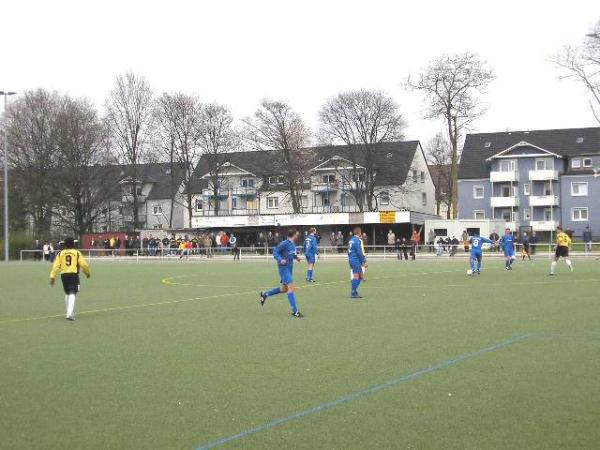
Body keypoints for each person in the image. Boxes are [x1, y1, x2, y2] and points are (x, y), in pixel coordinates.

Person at [260, 229, 303, 318]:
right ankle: (295, 311)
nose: (297, 236)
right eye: (297, 234)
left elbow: (291, 253)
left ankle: (265, 294)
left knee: (284, 289)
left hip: (289, 268)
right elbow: (275, 252)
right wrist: (280, 259)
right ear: (294, 235)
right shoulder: (284, 243)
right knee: (291, 288)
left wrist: (296, 257)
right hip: (284, 269)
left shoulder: (292, 244)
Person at [49, 237, 91, 321]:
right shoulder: (76, 253)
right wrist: (87, 273)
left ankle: (69, 312)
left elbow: (56, 266)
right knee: (73, 292)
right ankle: (69, 314)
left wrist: (52, 277)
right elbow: (84, 265)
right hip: (73, 274)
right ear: (73, 244)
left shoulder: (60, 253)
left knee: (68, 293)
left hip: (64, 275)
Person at [348, 227, 367, 298]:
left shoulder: (351, 240)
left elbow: (349, 251)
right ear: (359, 232)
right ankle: (353, 292)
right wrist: (364, 261)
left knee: (359, 276)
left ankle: (355, 291)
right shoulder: (357, 240)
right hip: (356, 260)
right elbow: (359, 252)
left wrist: (350, 259)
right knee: (356, 276)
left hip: (352, 259)